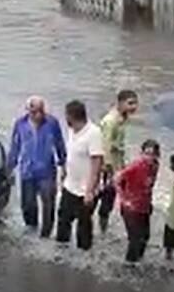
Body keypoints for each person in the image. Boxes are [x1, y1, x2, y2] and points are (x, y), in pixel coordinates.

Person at [7, 96, 66, 238]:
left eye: (41, 111)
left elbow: (59, 144)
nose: (38, 115)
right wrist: (9, 169)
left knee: (49, 204)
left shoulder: (52, 123)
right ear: (28, 111)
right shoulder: (20, 124)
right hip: (27, 170)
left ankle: (46, 235)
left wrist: (63, 165)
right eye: (34, 112)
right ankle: (31, 231)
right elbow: (15, 147)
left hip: (46, 171)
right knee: (28, 205)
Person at [55, 100, 104, 250]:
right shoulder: (72, 131)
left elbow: (97, 163)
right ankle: (61, 250)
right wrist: (64, 172)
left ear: (71, 116)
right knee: (63, 219)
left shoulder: (93, 133)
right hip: (70, 185)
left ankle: (84, 255)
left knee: (83, 225)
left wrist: (89, 191)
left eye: (66, 116)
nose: (65, 119)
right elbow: (72, 155)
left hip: (86, 189)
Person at [98, 89, 139, 229]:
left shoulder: (122, 119)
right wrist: (109, 169)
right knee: (108, 197)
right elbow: (106, 146)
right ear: (120, 103)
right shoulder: (111, 121)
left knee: (114, 196)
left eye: (135, 103)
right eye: (130, 103)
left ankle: (105, 224)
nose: (134, 107)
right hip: (109, 167)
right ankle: (102, 227)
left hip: (118, 165)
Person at [116, 139, 160, 264]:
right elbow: (117, 179)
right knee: (135, 239)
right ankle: (128, 265)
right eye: (146, 153)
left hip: (144, 206)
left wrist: (149, 202)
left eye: (152, 154)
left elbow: (148, 187)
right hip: (130, 207)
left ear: (157, 155)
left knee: (145, 237)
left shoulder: (155, 166)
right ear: (141, 153)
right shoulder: (135, 166)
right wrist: (124, 199)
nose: (149, 157)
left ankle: (137, 261)